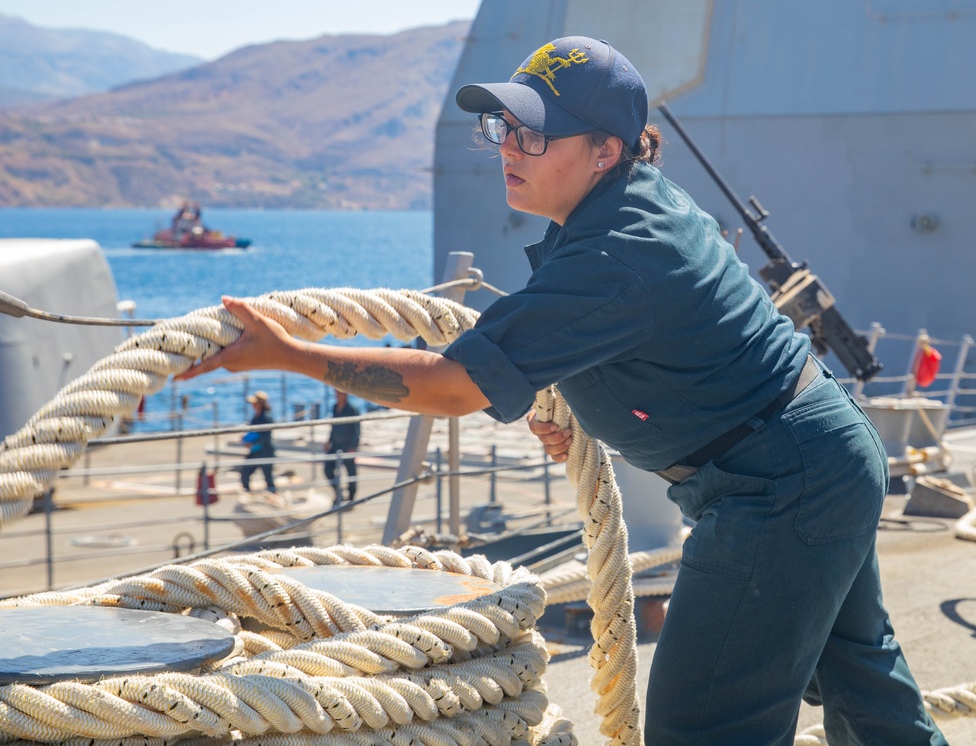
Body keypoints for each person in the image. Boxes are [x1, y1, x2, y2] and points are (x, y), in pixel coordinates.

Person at [178, 36, 945, 744]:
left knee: (703, 721)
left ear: (605, 150)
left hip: (777, 487)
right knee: (865, 691)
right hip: (819, 459)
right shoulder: (628, 211)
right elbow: (659, 343)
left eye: (534, 134)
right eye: (503, 129)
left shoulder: (614, 250)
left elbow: (451, 387)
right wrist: (587, 403)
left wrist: (286, 353)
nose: (508, 148)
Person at [324, 390, 360, 502]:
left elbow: (356, 430)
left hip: (347, 445)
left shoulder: (352, 410)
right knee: (328, 468)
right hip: (335, 444)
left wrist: (353, 446)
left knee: (351, 472)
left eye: (341, 393)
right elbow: (333, 426)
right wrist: (329, 441)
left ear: (346, 395)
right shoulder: (335, 407)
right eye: (337, 393)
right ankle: (338, 492)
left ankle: (351, 496)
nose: (338, 395)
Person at [240, 390, 276, 493]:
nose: (253, 405)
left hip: (265, 451)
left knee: (268, 478)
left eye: (255, 403)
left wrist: (252, 443)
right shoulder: (255, 417)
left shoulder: (266, 418)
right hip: (255, 451)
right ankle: (248, 495)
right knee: (245, 473)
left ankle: (272, 497)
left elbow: (266, 436)